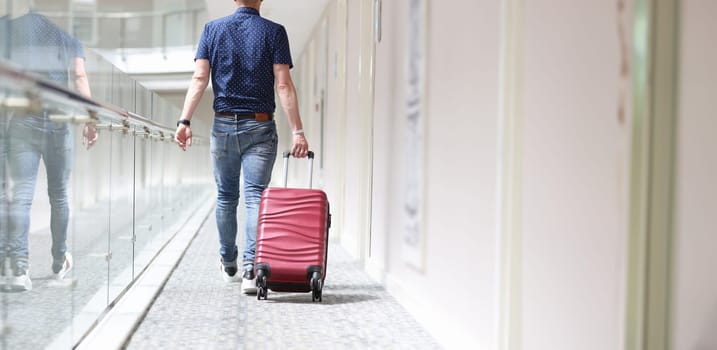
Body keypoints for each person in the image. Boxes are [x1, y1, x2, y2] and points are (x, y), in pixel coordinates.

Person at [175, 0, 309, 294]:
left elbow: (199, 78)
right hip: (260, 126)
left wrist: (184, 121)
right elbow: (283, 85)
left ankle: (228, 261)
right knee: (255, 196)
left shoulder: (212, 30)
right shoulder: (274, 32)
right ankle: (251, 270)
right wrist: (298, 130)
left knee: (225, 196)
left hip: (222, 125)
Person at [2, 9, 97, 291]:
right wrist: (90, 119)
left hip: (22, 116)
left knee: (22, 193)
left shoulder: (12, 27)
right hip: (58, 120)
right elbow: (79, 75)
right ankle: (58, 260)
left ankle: (18, 267)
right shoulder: (65, 27)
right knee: (58, 194)